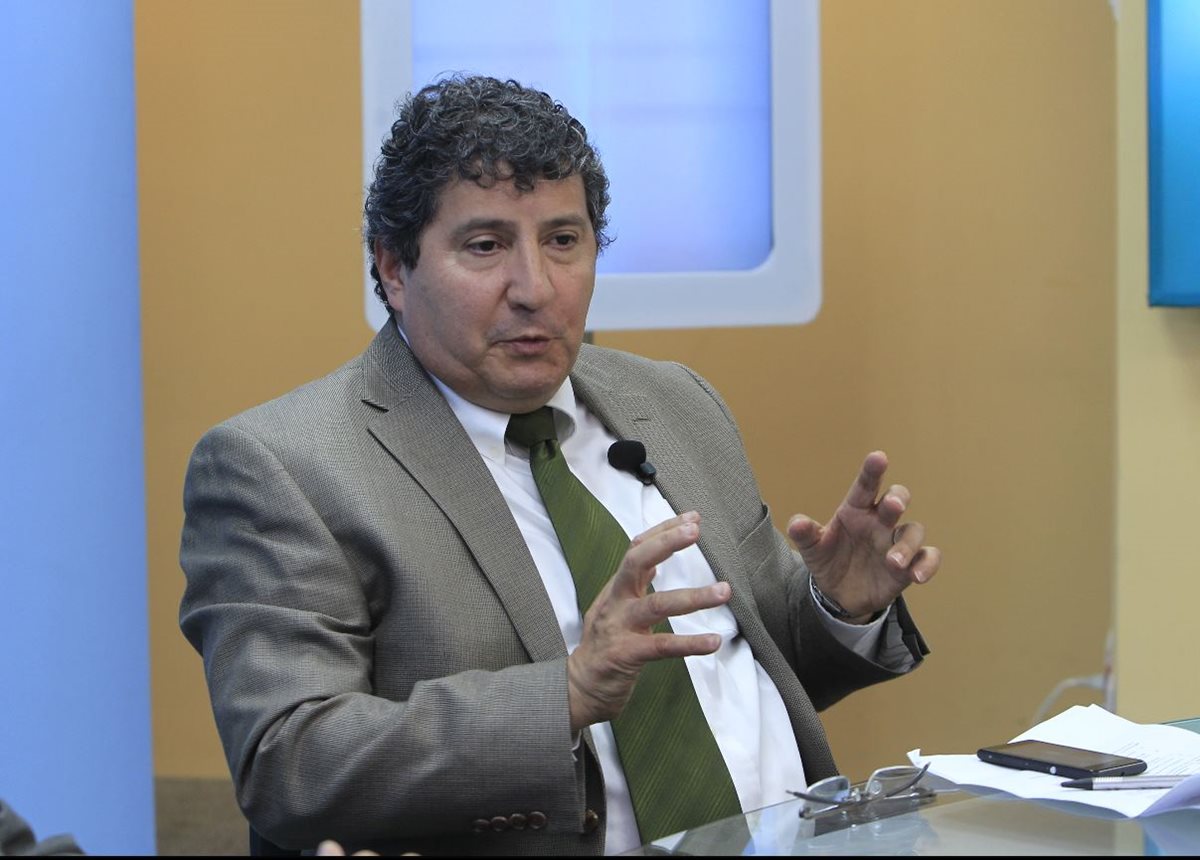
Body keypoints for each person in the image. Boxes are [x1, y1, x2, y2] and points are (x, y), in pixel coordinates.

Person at [179, 74, 941, 856]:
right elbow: (291, 762)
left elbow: (742, 676)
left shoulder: (675, 402)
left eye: (563, 241)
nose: (535, 288)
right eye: (485, 246)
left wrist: (836, 609)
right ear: (395, 269)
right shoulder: (284, 468)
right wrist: (567, 695)